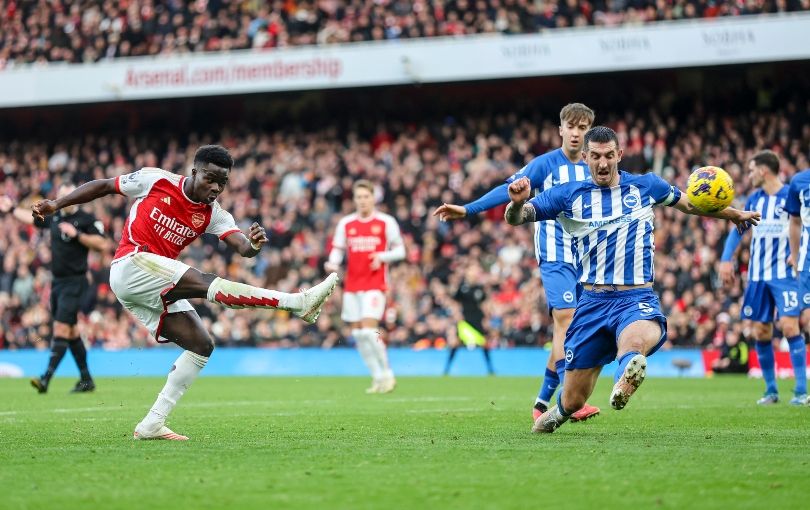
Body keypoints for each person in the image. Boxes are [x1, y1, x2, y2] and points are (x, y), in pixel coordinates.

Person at [31, 145, 339, 440]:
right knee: (206, 282)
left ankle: (152, 423)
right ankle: (296, 303)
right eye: (210, 178)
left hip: (148, 283)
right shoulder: (158, 180)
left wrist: (255, 245)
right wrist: (57, 204)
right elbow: (105, 186)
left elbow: (242, 248)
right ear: (195, 172)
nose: (216, 188)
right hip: (131, 263)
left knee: (201, 345)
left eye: (223, 182)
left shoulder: (214, 214)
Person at [504, 126, 759, 433]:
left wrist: (732, 214)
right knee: (572, 399)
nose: (602, 163)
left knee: (634, 341)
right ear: (584, 157)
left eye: (609, 155)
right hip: (592, 303)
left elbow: (691, 203)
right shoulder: (566, 195)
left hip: (634, 297)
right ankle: (557, 413)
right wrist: (517, 203)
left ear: (619, 155)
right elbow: (518, 217)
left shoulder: (646, 186)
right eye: (595, 156)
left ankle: (626, 377)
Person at [433, 103, 600, 422]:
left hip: (590, 257)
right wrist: (468, 209)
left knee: (571, 330)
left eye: (583, 128)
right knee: (565, 318)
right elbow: (510, 189)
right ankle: (570, 397)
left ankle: (540, 403)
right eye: (572, 127)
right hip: (555, 252)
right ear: (561, 129)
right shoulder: (546, 164)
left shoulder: (596, 166)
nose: (577, 133)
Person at [1, 184, 109, 393]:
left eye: (67, 196)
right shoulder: (56, 217)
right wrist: (12, 209)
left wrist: (77, 234)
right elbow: (32, 218)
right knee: (71, 331)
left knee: (61, 328)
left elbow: (103, 244)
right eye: (61, 196)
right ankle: (86, 379)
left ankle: (45, 379)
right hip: (57, 283)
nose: (64, 199)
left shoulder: (85, 219)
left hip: (75, 281)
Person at [720, 150, 807, 405]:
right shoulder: (754, 200)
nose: (748, 175)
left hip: (785, 274)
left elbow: (804, 224)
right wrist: (727, 258)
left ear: (763, 170)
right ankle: (771, 390)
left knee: (790, 326)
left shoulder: (791, 194)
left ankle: (801, 391)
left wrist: (799, 252)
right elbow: (738, 230)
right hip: (757, 276)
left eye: (750, 170)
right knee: (760, 331)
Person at [325, 180, 405, 393]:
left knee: (370, 332)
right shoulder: (346, 224)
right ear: (354, 199)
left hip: (375, 284)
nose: (362, 201)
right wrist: (332, 263)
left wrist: (382, 255)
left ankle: (388, 374)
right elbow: (338, 249)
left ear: (373, 197)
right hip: (352, 285)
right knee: (359, 336)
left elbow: (401, 251)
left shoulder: (386, 222)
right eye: (358, 197)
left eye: (365, 196)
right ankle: (377, 377)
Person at [783, 163, 810, 404]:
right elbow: (795, 222)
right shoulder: (799, 182)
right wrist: (796, 256)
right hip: (807, 261)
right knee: (807, 320)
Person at [444, 262, 495, 376]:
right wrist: (456, 314)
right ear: (467, 273)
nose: (475, 273)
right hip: (465, 321)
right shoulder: (462, 287)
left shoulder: (480, 288)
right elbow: (454, 302)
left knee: (484, 343)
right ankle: (447, 368)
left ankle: (490, 369)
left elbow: (485, 304)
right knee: (456, 343)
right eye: (472, 270)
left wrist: (487, 318)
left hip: (478, 319)